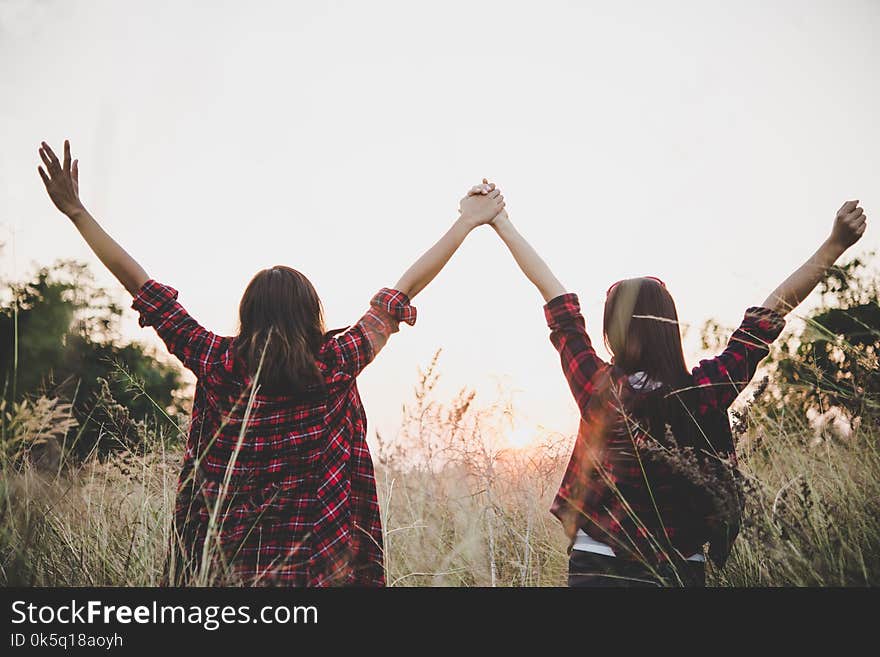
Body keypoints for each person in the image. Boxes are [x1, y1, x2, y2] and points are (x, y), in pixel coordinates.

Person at [37, 139, 505, 586]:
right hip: (316, 572)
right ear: (311, 314)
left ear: (248, 314)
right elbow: (400, 293)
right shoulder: (337, 361)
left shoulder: (216, 360)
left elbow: (140, 285)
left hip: (224, 573)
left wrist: (77, 212)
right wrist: (466, 222)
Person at [472, 180, 867, 586]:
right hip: (678, 567)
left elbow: (556, 299)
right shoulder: (704, 392)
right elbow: (767, 317)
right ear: (670, 327)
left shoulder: (596, 386)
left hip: (597, 563)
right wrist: (834, 245)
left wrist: (500, 222)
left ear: (612, 332)